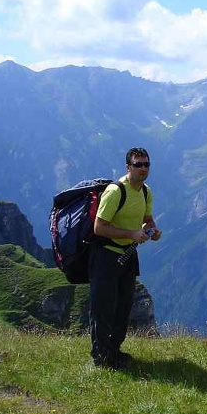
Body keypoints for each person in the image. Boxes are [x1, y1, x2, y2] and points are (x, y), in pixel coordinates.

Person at [89, 147, 162, 369]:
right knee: (104, 308)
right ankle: (101, 358)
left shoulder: (146, 192)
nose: (143, 169)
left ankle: (114, 352)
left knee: (123, 306)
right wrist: (131, 234)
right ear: (128, 167)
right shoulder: (115, 192)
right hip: (106, 255)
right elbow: (99, 228)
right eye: (138, 165)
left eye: (146, 164)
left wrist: (153, 230)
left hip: (128, 255)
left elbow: (147, 220)